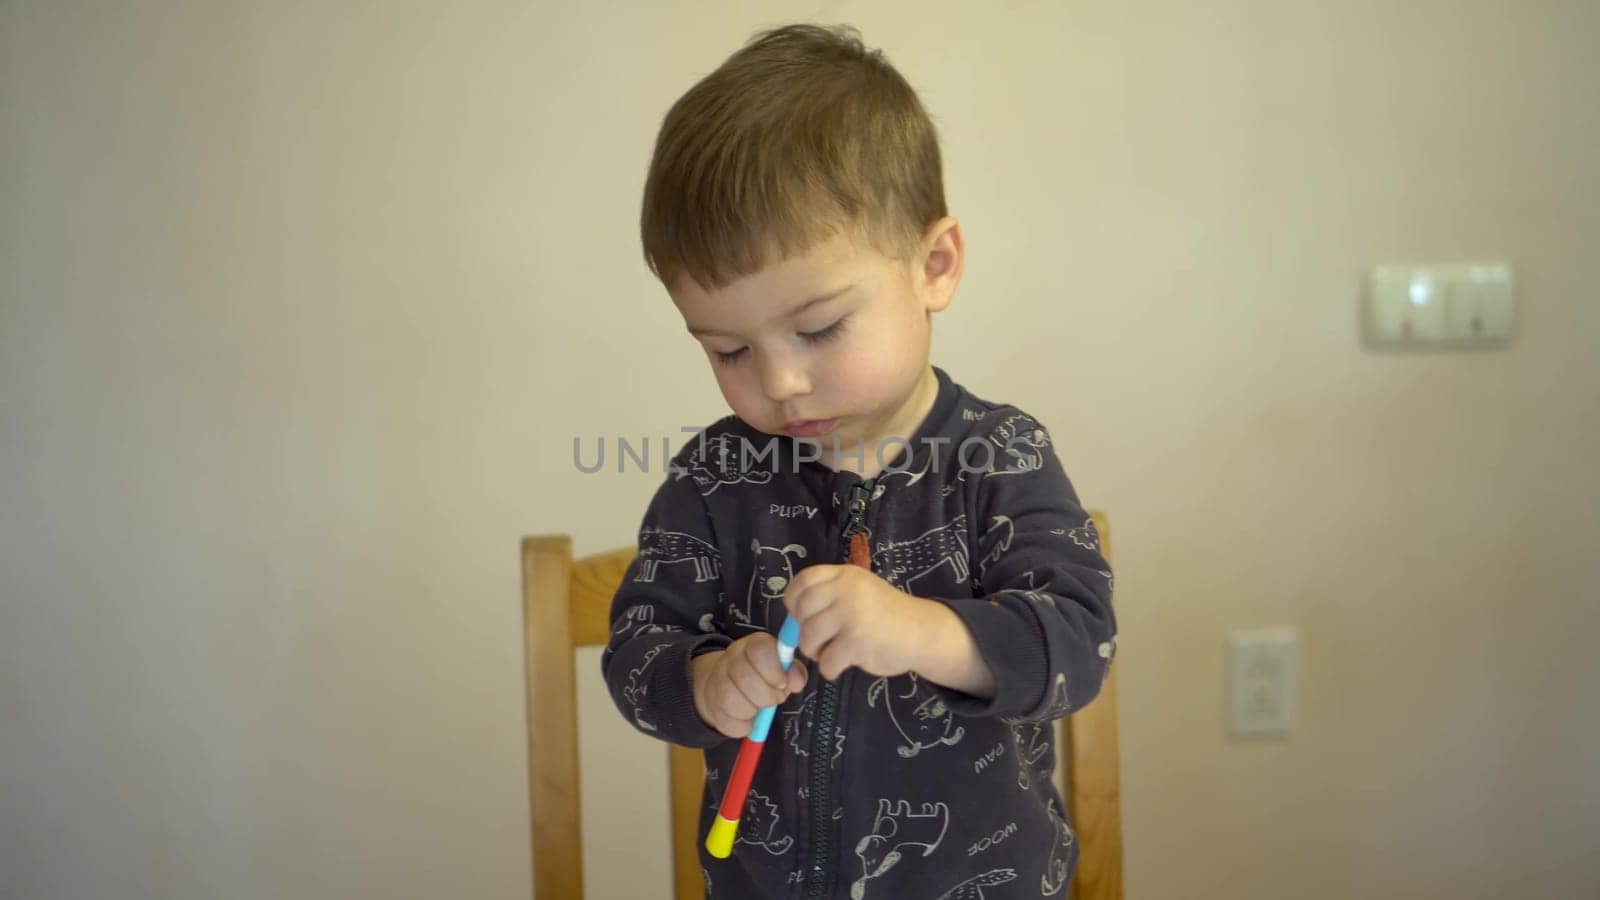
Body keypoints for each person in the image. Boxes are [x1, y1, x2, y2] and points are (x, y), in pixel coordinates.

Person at [601, 23, 1116, 899]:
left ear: (934, 264)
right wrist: (705, 680)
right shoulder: (712, 481)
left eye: (818, 328)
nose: (782, 383)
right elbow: (635, 653)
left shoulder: (1000, 455)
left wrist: (920, 631)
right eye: (728, 350)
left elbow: (1076, 644)